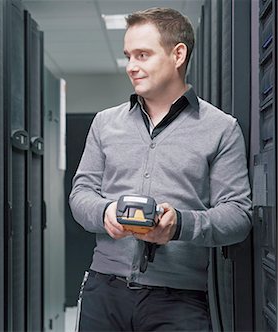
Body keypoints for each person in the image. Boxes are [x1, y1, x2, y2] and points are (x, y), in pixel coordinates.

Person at [69, 7, 252, 332]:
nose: (132, 67)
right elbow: (80, 194)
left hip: (179, 300)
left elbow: (238, 216)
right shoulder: (105, 124)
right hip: (104, 292)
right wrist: (105, 211)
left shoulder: (221, 129)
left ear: (178, 54)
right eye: (128, 56)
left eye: (143, 55)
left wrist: (180, 224)